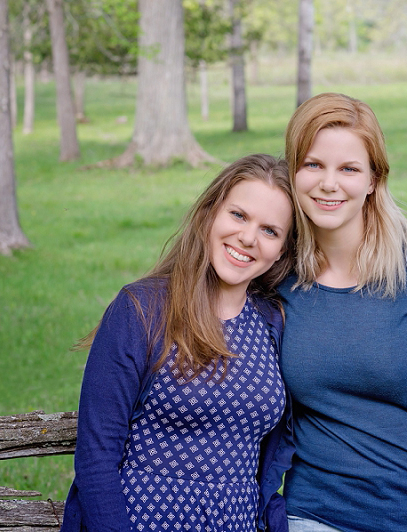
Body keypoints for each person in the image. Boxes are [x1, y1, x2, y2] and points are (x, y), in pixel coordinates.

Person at [278, 93, 407, 532]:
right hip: (316, 516)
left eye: (349, 169)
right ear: (293, 172)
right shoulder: (276, 277)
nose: (328, 184)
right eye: (313, 165)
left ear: (374, 179)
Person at [60, 154, 296, 532]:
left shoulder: (274, 323)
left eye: (270, 230)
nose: (248, 237)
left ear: (282, 250)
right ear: (209, 214)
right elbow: (96, 458)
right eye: (238, 215)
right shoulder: (143, 309)